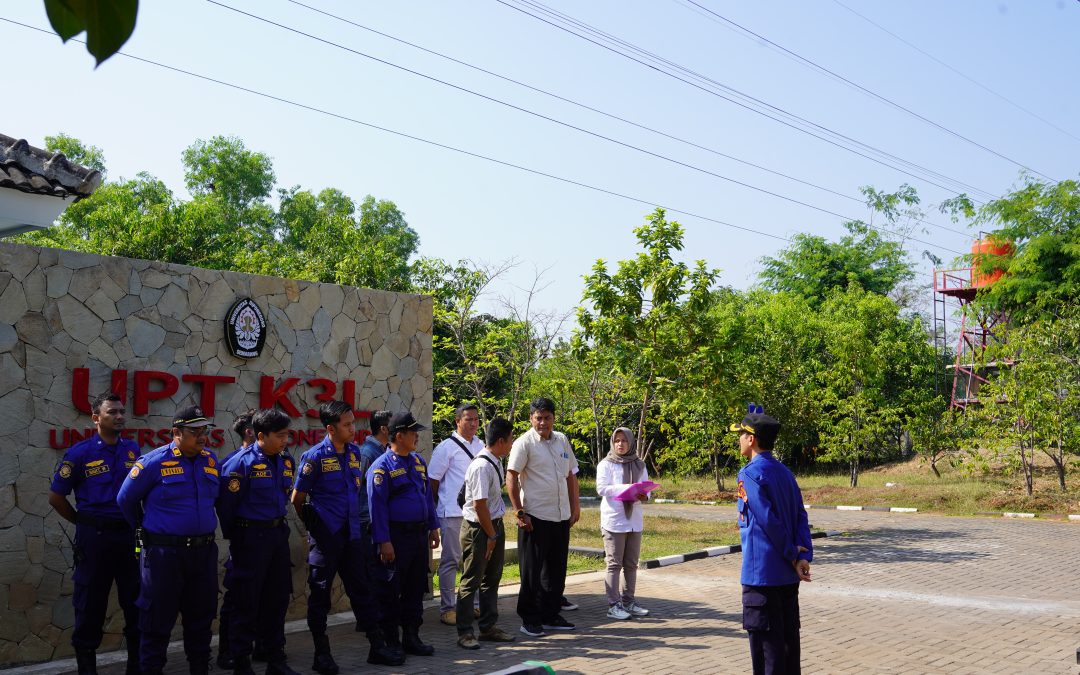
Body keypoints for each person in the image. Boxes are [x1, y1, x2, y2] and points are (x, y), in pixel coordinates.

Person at [291, 401, 402, 673]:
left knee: (362, 592)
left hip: (352, 536)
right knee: (320, 597)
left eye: (353, 422)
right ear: (330, 428)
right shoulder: (313, 457)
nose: (353, 428)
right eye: (347, 424)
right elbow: (298, 498)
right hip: (326, 538)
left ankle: (376, 647)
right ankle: (322, 654)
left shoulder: (354, 453)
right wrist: (315, 526)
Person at [116, 405, 220, 675]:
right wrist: (144, 529)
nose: (202, 436)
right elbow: (125, 500)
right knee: (156, 620)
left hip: (203, 553)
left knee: (201, 618)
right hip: (164, 555)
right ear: (176, 433)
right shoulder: (153, 462)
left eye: (204, 431)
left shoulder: (211, 461)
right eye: (194, 431)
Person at [48, 392, 141, 675]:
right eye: (112, 412)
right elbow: (56, 497)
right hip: (95, 538)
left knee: (136, 600)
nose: (119, 416)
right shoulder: (79, 454)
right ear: (96, 418)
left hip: (129, 537)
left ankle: (136, 666)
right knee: (90, 603)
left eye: (122, 411)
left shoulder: (133, 451)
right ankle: (87, 669)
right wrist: (82, 523)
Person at [217, 409, 301, 675]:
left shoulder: (285, 461)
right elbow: (226, 507)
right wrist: (240, 536)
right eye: (280, 435)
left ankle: (276, 660)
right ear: (261, 435)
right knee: (246, 602)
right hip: (250, 538)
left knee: (276, 601)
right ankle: (242, 663)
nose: (285, 440)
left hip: (277, 535)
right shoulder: (240, 463)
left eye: (287, 434)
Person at [731, 410, 813, 675]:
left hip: (762, 579)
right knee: (789, 652)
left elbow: (767, 519)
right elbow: (801, 515)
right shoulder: (785, 472)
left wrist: (791, 553)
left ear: (752, 439)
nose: (739, 439)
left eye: (741, 434)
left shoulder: (750, 474)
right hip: (787, 579)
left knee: (768, 656)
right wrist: (802, 557)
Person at [368, 411, 441, 659]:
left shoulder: (418, 461)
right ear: (399, 436)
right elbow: (376, 508)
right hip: (396, 537)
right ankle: (392, 641)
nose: (416, 437)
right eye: (413, 433)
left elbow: (427, 498)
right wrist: (384, 541)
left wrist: (433, 527)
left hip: (419, 536)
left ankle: (412, 637)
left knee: (414, 588)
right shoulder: (381, 467)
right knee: (390, 591)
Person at [506, 397, 580, 638]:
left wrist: (575, 506)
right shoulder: (523, 443)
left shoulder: (561, 440)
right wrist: (519, 512)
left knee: (556, 569)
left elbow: (570, 475)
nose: (543, 422)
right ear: (531, 418)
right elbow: (511, 478)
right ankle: (529, 618)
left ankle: (550, 614)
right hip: (535, 516)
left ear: (553, 418)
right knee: (532, 571)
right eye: (538, 418)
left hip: (560, 515)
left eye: (547, 418)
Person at [455, 417, 516, 649]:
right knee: (471, 581)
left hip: (493, 525)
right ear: (500, 441)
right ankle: (465, 633)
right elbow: (479, 506)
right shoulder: (481, 466)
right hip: (479, 529)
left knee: (492, 579)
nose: (511, 444)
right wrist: (491, 535)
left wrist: (495, 532)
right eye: (510, 440)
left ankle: (488, 627)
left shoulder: (496, 461)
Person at [428, 403, 484, 625]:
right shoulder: (445, 448)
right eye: (468, 419)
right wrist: (434, 514)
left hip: (476, 513)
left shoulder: (481, 445)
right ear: (457, 421)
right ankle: (447, 608)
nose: (473, 423)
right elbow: (432, 482)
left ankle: (474, 604)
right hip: (451, 512)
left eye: (476, 419)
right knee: (451, 560)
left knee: (475, 561)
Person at [595, 426, 651, 620]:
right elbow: (602, 488)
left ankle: (629, 601)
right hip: (614, 520)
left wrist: (644, 494)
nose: (620, 444)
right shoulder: (606, 464)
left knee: (631, 564)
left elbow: (647, 488)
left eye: (624, 440)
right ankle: (614, 604)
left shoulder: (639, 464)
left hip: (634, 520)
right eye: (617, 440)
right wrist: (627, 489)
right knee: (614, 564)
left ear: (631, 442)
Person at [217, 408, 258, 670]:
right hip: (245, 541)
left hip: (269, 540)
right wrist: (237, 537)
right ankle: (227, 651)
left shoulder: (279, 459)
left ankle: (263, 645)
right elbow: (226, 508)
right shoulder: (234, 463)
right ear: (250, 432)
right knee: (236, 599)